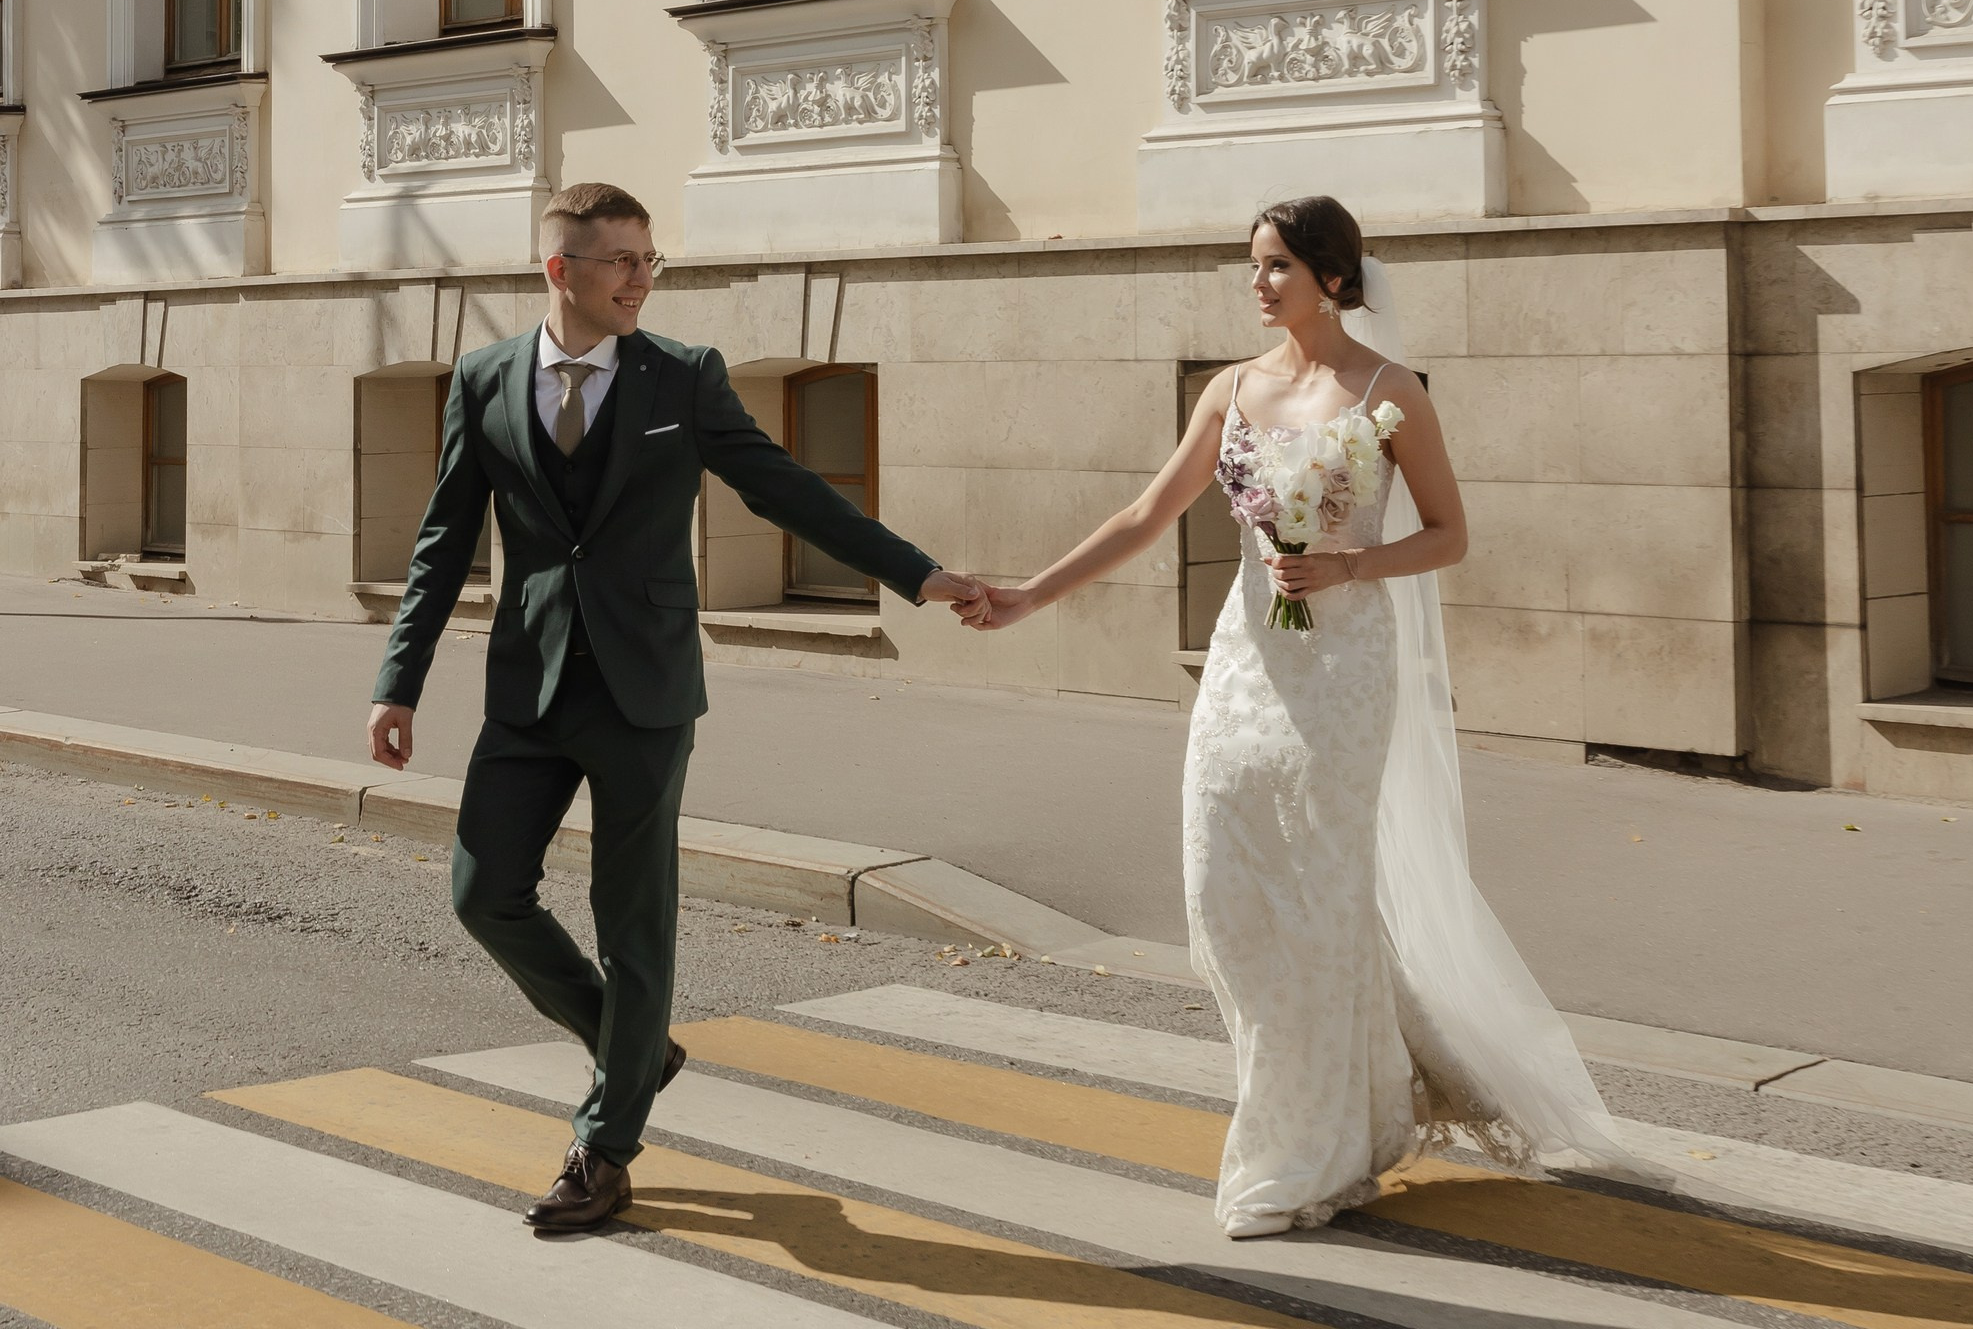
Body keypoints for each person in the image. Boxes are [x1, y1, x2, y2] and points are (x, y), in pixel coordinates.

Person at [956, 193, 1633, 1237]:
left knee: (1317, 901)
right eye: (1253, 264)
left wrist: (1349, 561)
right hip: (1245, 666)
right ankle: (1361, 1094)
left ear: (1330, 274)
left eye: (1276, 264)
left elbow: (1449, 534)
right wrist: (1030, 592)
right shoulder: (1230, 390)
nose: (1258, 282)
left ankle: (1305, 1152)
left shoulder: (1386, 391)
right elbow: (1148, 513)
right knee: (1222, 897)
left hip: (1343, 674)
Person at [368, 181, 977, 1236]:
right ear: (561, 271)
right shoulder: (482, 380)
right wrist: (398, 682)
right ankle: (631, 1043)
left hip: (644, 688)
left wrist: (918, 577)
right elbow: (441, 543)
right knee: (482, 894)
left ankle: (603, 1149)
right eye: (621, 262)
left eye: (650, 261)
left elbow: (788, 490)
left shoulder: (681, 377)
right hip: (530, 685)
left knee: (632, 922)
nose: (642, 280)